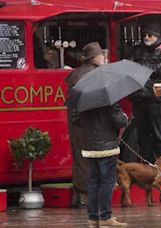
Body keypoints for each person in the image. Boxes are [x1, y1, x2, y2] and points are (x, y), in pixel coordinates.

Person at [65, 42, 104, 209]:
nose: (104, 57)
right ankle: (85, 197)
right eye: (102, 55)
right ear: (94, 57)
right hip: (88, 123)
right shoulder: (93, 75)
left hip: (76, 123)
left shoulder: (76, 74)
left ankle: (78, 195)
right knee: (89, 159)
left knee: (79, 158)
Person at [127, 22, 161, 163]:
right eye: (144, 34)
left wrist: (140, 68)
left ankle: (160, 165)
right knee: (142, 135)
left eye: (149, 35)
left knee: (157, 134)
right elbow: (130, 66)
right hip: (139, 97)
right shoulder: (138, 50)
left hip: (154, 99)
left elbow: (159, 68)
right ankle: (146, 164)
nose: (146, 37)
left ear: (157, 36)